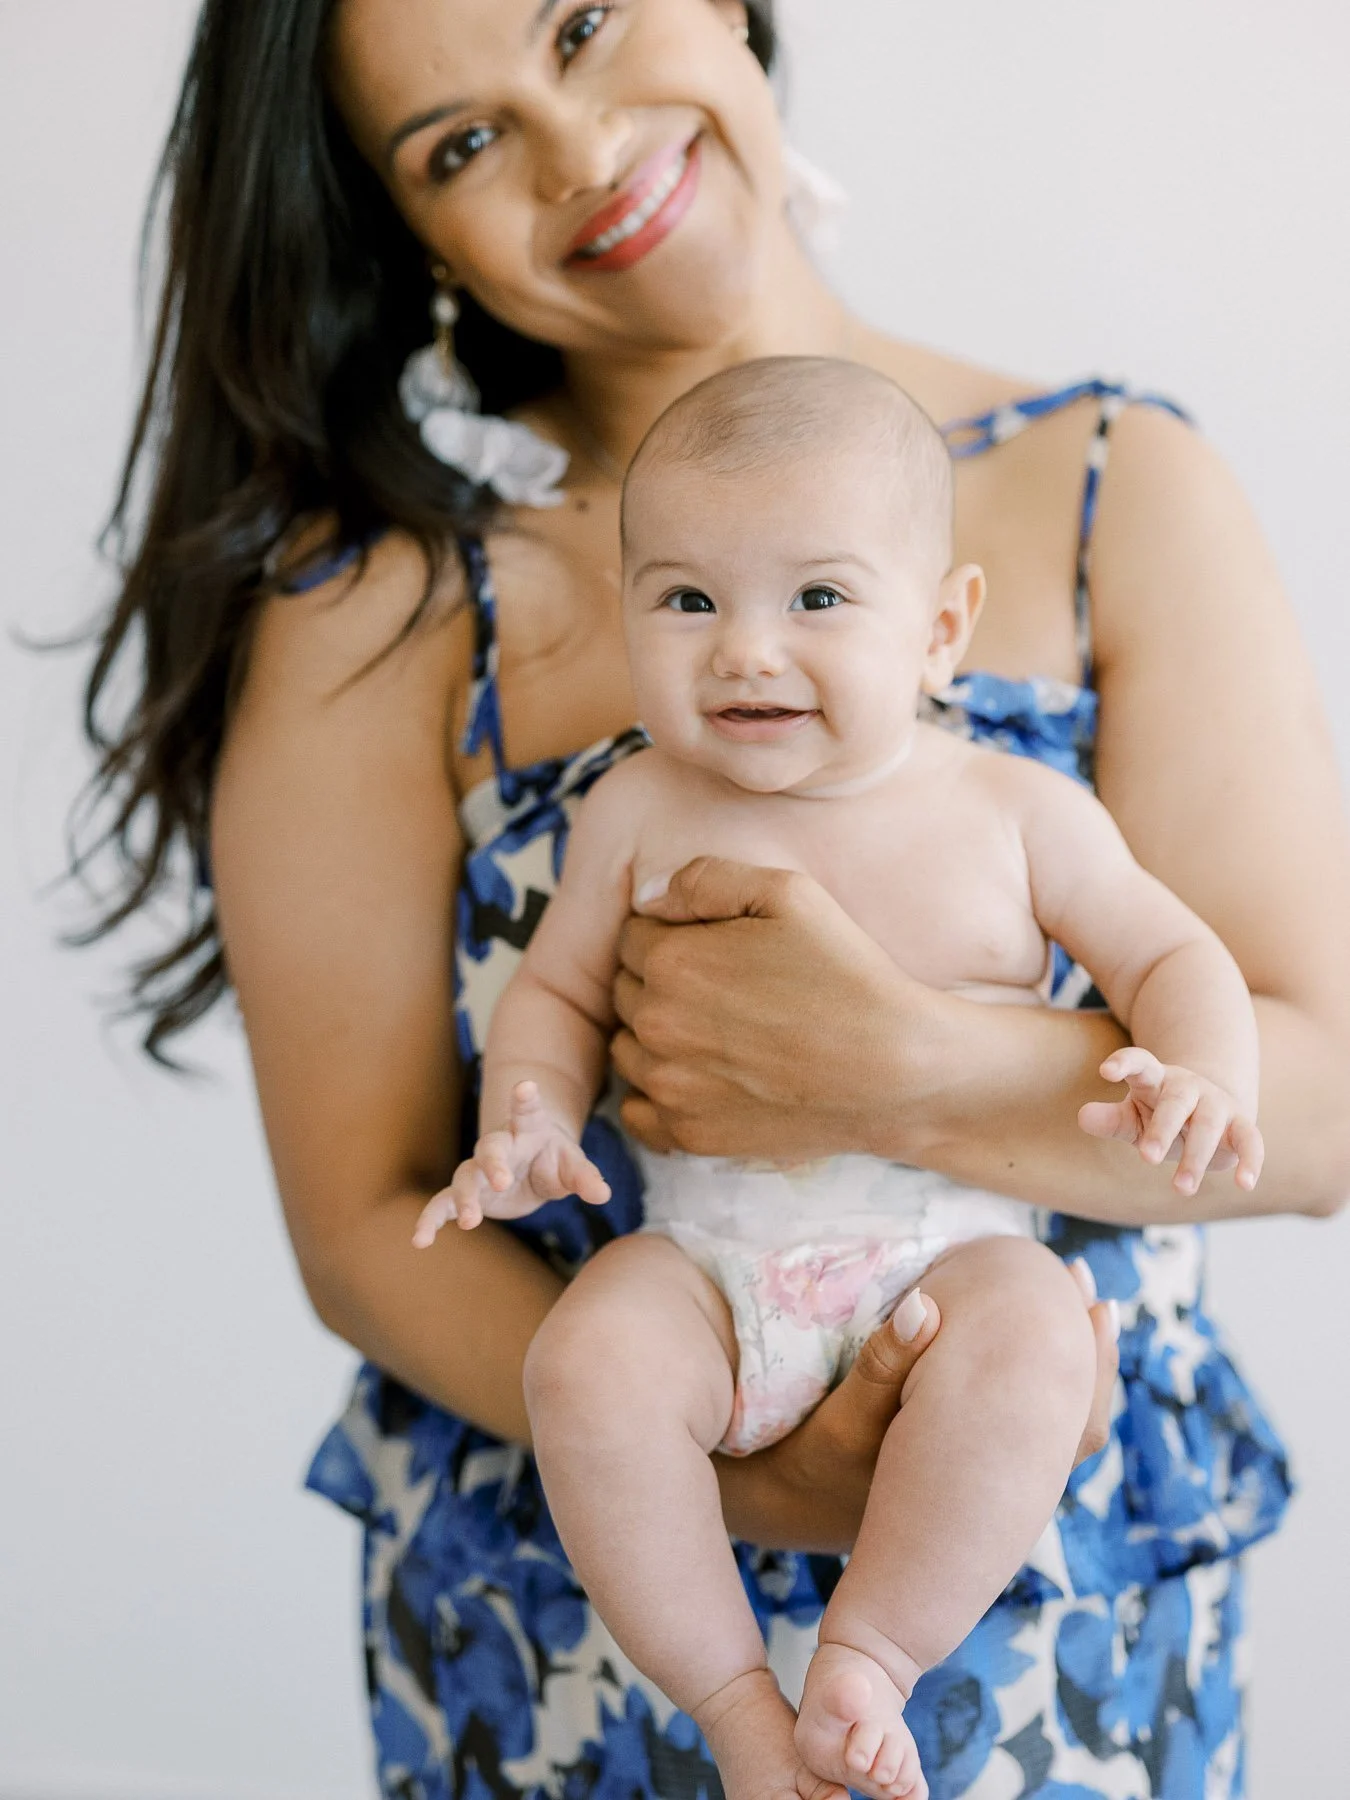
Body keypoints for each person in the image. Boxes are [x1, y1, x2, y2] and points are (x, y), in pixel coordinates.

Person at [80, 0, 1349, 1794]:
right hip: (586, 1597)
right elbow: (370, 1225)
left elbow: (1318, 1107)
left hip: (1049, 1592)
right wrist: (738, 1472)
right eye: (461, 142)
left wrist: (896, 1066)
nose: (580, 150)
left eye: (584, 23)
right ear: (404, 230)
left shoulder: (1104, 491)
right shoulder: (383, 604)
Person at [413, 356, 1266, 1800]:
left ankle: (867, 1658)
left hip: (944, 1261)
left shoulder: (1012, 811)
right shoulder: (632, 806)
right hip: (703, 1263)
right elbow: (551, 994)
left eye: (814, 599)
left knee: (1039, 1337)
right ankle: (741, 1709)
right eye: (686, 600)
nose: (744, 650)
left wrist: (1203, 1074)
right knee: (586, 1358)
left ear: (939, 630)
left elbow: (1177, 953)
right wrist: (529, 1120)